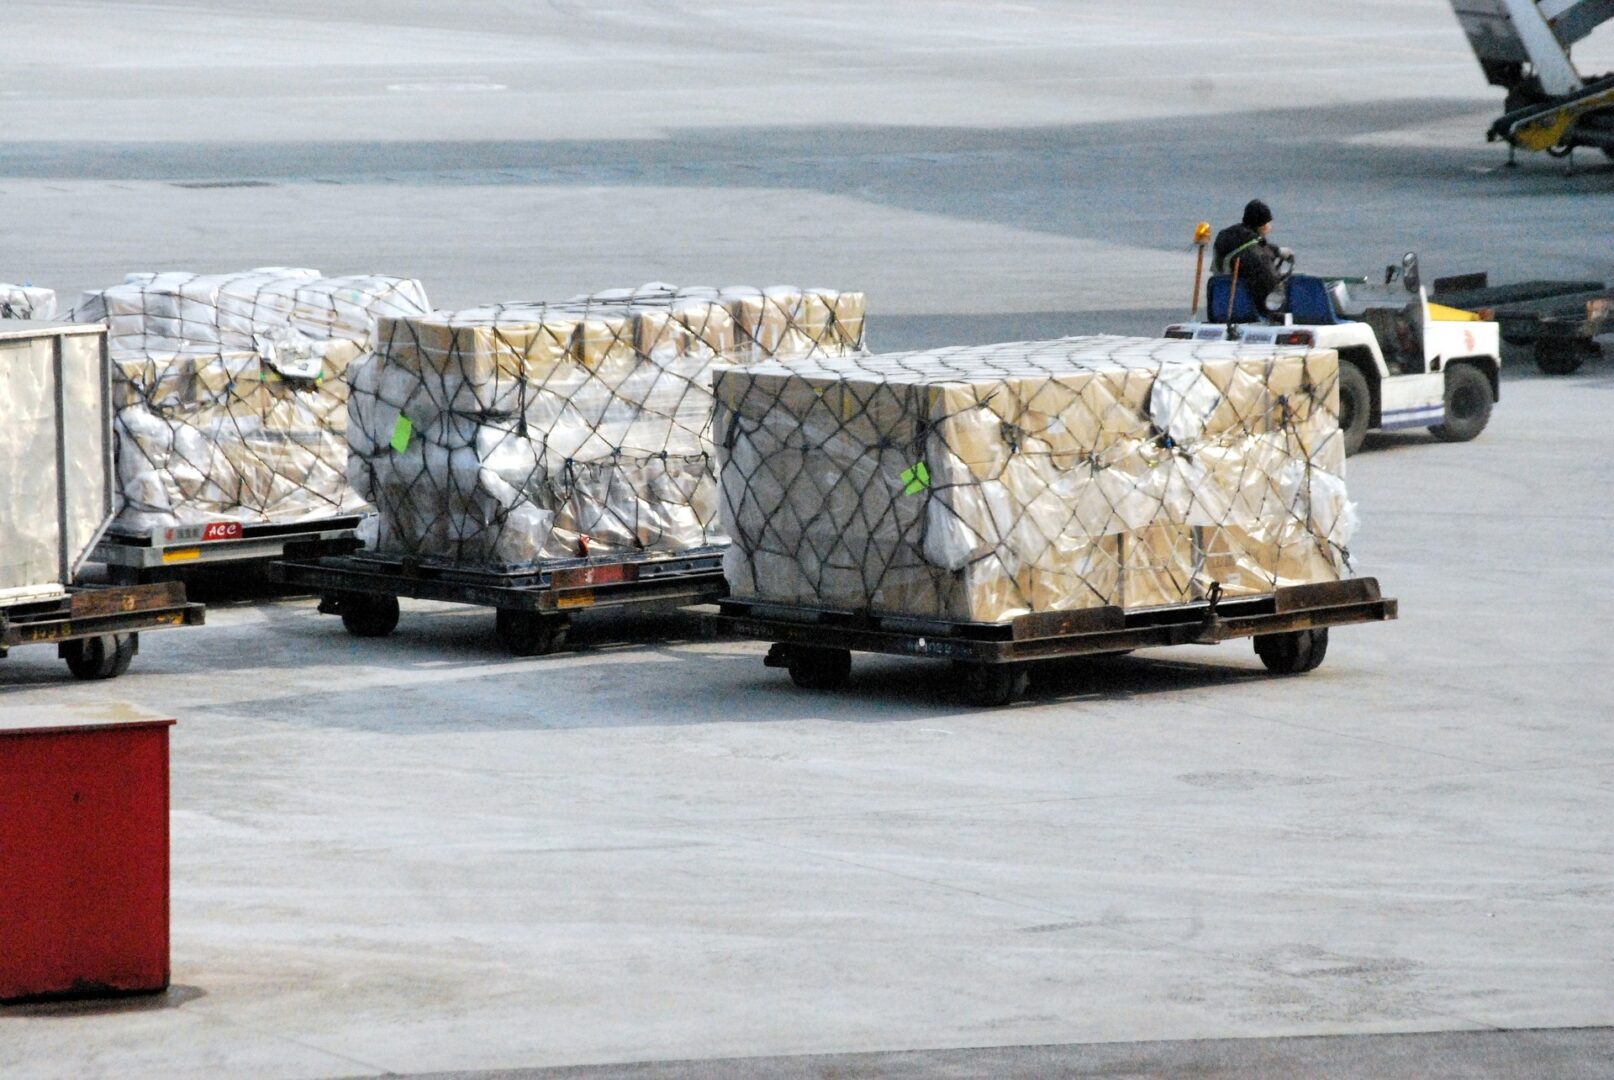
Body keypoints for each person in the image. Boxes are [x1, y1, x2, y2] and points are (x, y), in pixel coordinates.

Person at [1212, 199, 1291, 313]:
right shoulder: (1256, 254)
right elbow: (1269, 283)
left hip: (1220, 298)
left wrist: (1276, 251)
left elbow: (1259, 245)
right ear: (1261, 225)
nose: (1270, 227)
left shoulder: (1227, 237)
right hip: (1244, 306)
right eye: (1268, 223)